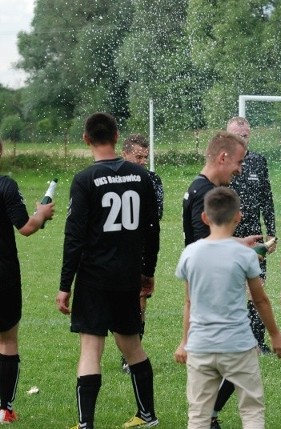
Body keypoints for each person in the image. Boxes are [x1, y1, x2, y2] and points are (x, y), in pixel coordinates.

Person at [56, 112, 160, 429]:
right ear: (117, 136)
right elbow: (152, 230)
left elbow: (74, 237)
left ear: (86, 139)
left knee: (91, 348)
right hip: (127, 276)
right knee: (132, 345)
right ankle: (147, 415)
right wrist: (148, 271)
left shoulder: (85, 179)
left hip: (94, 277)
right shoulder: (142, 178)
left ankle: (86, 424)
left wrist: (64, 285)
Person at [174, 187, 281, 429]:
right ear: (238, 216)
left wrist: (184, 341)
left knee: (198, 415)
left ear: (205, 218)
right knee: (251, 410)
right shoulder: (245, 255)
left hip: (200, 345)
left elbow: (189, 301)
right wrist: (276, 335)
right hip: (237, 345)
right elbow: (260, 301)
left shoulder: (190, 254)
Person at [179, 130, 261, 429]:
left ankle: (208, 415)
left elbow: (208, 243)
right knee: (239, 358)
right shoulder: (204, 193)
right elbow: (209, 245)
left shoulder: (198, 187)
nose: (239, 169)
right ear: (223, 157)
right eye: (238, 162)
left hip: (204, 286)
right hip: (212, 292)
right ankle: (209, 415)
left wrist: (244, 243)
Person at [0, 139, 55, 424]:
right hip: (3, 274)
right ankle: (4, 409)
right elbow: (26, 227)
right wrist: (42, 214)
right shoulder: (5, 185)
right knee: (7, 341)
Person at [227, 117, 276, 355]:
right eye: (237, 135)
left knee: (257, 288)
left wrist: (272, 230)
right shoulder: (221, 162)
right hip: (228, 234)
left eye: (245, 136)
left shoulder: (258, 161)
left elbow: (266, 198)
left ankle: (257, 342)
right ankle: (234, 340)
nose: (241, 140)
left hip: (254, 233)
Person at [120, 134, 165, 373]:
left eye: (145, 157)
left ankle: (131, 356)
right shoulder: (113, 178)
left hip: (140, 249)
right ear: (125, 153)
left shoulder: (153, 180)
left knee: (139, 300)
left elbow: (153, 218)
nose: (142, 161)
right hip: (114, 250)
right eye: (138, 156)